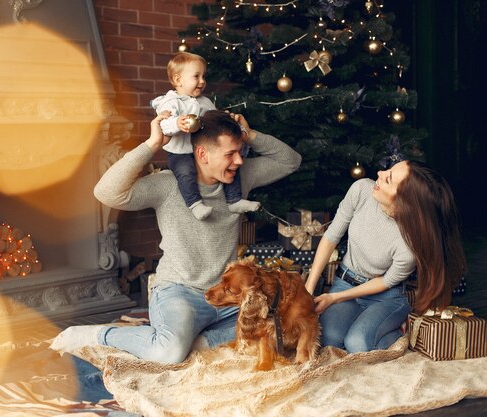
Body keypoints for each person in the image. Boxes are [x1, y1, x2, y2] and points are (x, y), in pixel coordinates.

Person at [50, 110, 302, 364]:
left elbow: (290, 161)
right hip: (179, 291)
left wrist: (251, 135)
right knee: (168, 353)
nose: (238, 160)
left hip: (226, 295)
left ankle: (198, 342)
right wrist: (152, 144)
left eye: (240, 152)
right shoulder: (168, 185)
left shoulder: (240, 179)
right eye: (230, 154)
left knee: (278, 326)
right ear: (203, 154)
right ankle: (101, 334)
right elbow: (106, 192)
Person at [304, 160, 467, 353]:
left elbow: (386, 281)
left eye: (388, 179)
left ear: (402, 202)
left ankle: (399, 332)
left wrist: (334, 298)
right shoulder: (361, 189)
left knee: (357, 344)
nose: (380, 173)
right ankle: (364, 325)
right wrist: (308, 289)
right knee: (328, 339)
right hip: (345, 282)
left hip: (384, 297)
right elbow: (331, 237)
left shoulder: (409, 245)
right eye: (388, 169)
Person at [151, 51, 260, 220]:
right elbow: (163, 124)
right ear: (178, 80)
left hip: (204, 150)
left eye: (203, 76)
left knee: (231, 164)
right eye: (196, 76)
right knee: (185, 172)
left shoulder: (204, 101)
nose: (202, 81)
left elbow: (213, 121)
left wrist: (223, 118)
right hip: (181, 152)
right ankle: (194, 204)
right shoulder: (170, 102)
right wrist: (176, 123)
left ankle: (234, 200)